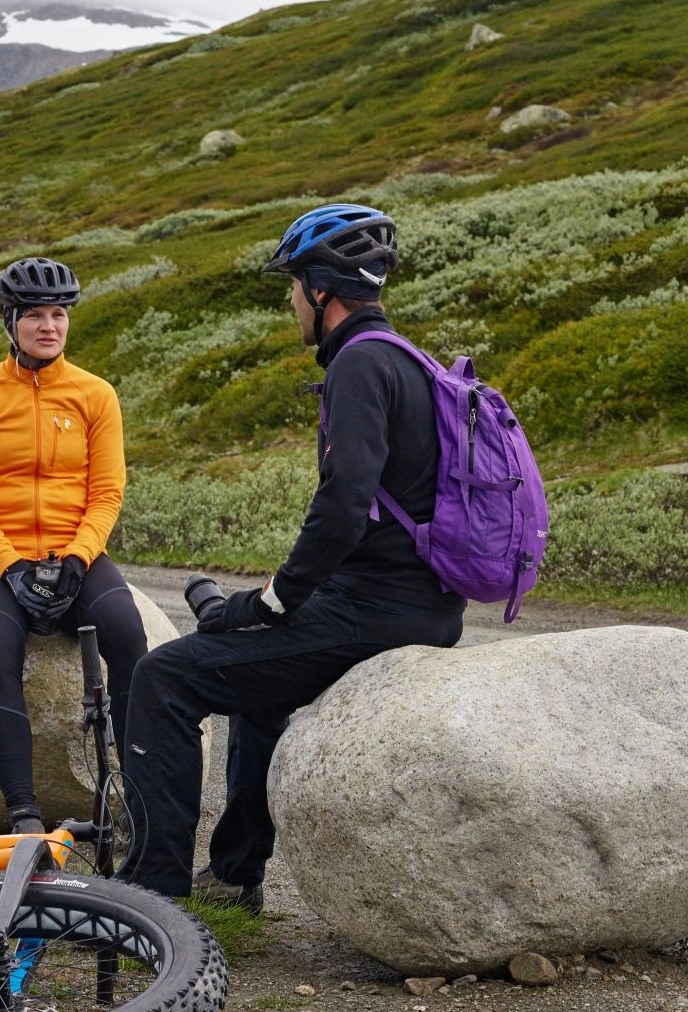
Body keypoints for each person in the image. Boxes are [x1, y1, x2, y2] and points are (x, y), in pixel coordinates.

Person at [119, 204, 466, 910]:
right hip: (420, 604)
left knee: (162, 679)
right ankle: (237, 871)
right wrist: (273, 606)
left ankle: (150, 899)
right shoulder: (405, 359)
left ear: (320, 290)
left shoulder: (360, 366)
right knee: (256, 689)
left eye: (292, 288)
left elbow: (345, 502)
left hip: (376, 613)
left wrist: (277, 600)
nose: (290, 303)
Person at [0, 256, 149, 834]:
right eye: (34, 314)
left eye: (58, 314)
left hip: (74, 550)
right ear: (9, 321)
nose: (49, 326)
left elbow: (107, 492)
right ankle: (24, 815)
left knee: (130, 642)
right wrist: (10, 567)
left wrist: (79, 560)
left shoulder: (95, 394)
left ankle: (134, 798)